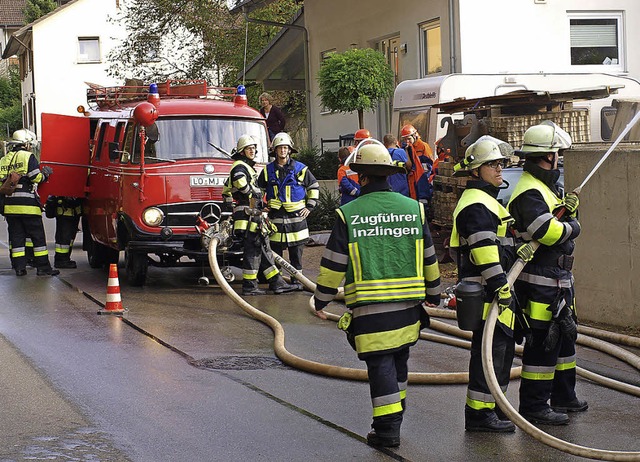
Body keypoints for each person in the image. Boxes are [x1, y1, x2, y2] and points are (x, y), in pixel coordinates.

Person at [313, 140, 441, 448]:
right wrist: (434, 293)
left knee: (380, 364)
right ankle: (396, 411)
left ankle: (387, 430)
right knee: (399, 360)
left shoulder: (349, 214)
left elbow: (333, 265)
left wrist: (321, 299)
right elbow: (429, 256)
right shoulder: (414, 210)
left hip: (371, 311)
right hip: (409, 308)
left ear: (362, 177)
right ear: (387, 175)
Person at [508, 122, 587, 426]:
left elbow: (558, 224)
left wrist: (571, 210)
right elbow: (548, 231)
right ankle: (534, 405)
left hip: (559, 280)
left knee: (566, 338)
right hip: (541, 282)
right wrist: (575, 227)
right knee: (543, 342)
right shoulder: (529, 191)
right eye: (557, 155)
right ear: (548, 156)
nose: (559, 160)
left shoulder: (546, 187)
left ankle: (564, 396)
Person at [450, 137, 519, 432]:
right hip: (487, 291)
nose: (499, 169)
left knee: (501, 351)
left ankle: (496, 405)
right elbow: (484, 251)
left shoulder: (486, 200)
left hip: (495, 290)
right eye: (492, 164)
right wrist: (501, 285)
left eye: (500, 163)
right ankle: (479, 414)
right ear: (476, 170)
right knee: (488, 353)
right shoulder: (475, 205)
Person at [222, 134, 297, 296]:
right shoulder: (239, 166)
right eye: (249, 149)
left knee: (262, 249)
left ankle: (275, 282)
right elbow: (240, 182)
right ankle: (250, 286)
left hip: (253, 216)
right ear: (241, 151)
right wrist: (254, 192)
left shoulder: (247, 166)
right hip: (247, 217)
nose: (252, 151)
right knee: (253, 251)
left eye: (254, 148)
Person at [257, 132, 319, 289]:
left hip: (297, 221)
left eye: (285, 148)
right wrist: (261, 206)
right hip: (275, 220)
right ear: (275, 151)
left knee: (296, 255)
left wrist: (310, 207)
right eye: (280, 148)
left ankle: (297, 281)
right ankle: (277, 283)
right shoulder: (267, 170)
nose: (283, 150)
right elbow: (258, 190)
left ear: (290, 150)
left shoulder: (301, 169)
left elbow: (314, 187)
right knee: (275, 254)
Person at [0, 129, 59, 276]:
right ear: (25, 143)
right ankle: (43, 268)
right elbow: (36, 178)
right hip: (28, 206)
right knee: (37, 237)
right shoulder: (28, 156)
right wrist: (45, 174)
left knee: (17, 238)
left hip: (10, 207)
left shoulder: (4, 159)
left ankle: (20, 268)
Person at [47, 196, 82, 269]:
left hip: (73, 215)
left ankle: (65, 259)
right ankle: (61, 261)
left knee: (69, 240)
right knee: (63, 240)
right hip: (64, 215)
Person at [400, 124, 432, 204]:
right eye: (405, 139)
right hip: (412, 179)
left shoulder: (423, 146)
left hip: (421, 179)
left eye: (409, 139)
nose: (407, 141)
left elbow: (428, 165)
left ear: (414, 136)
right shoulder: (406, 148)